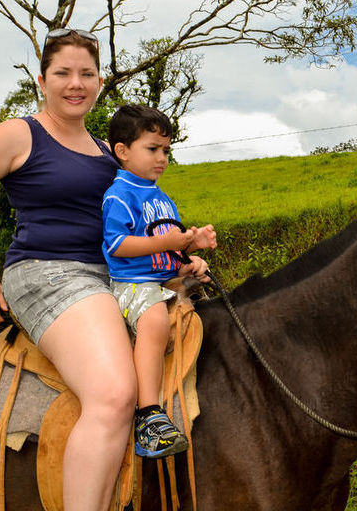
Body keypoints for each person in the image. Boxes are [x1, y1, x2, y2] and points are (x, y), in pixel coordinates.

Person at [0, 28, 134, 511]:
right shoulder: (21, 134)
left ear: (100, 81)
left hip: (108, 275)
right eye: (63, 73)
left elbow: (129, 223)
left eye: (86, 73)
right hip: (48, 274)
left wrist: (180, 254)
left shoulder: (107, 150)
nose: (75, 83)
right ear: (42, 80)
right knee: (112, 394)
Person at [101, 104, 217, 458]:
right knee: (153, 320)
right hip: (132, 284)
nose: (162, 158)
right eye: (152, 149)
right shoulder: (120, 195)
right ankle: (148, 416)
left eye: (166, 150)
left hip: (164, 280)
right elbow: (117, 245)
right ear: (123, 151)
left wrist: (191, 253)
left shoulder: (162, 198)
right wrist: (167, 243)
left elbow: (172, 247)